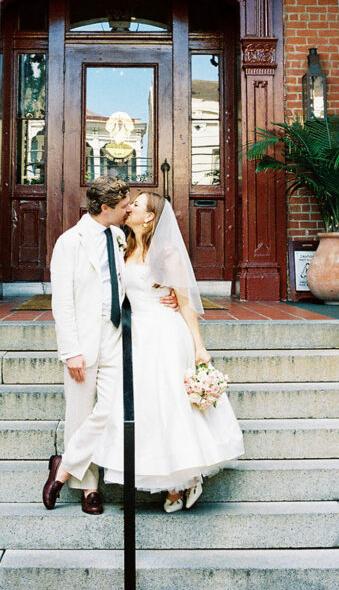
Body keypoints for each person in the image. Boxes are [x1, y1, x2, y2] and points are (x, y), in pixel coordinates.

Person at [94, 191, 245, 512]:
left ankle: (184, 480)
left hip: (165, 333)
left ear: (149, 217)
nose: (129, 206)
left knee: (171, 406)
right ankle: (164, 478)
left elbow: (185, 302)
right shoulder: (123, 246)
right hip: (135, 336)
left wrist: (199, 346)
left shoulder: (167, 252)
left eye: (135, 204)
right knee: (145, 408)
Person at [42, 176, 177, 514]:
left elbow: (137, 275)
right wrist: (70, 349)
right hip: (83, 340)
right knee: (80, 412)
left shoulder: (118, 237)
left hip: (115, 335)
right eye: (123, 207)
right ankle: (89, 487)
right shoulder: (69, 243)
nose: (129, 210)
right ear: (105, 208)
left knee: (112, 407)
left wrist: (169, 292)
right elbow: (62, 303)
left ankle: (62, 468)